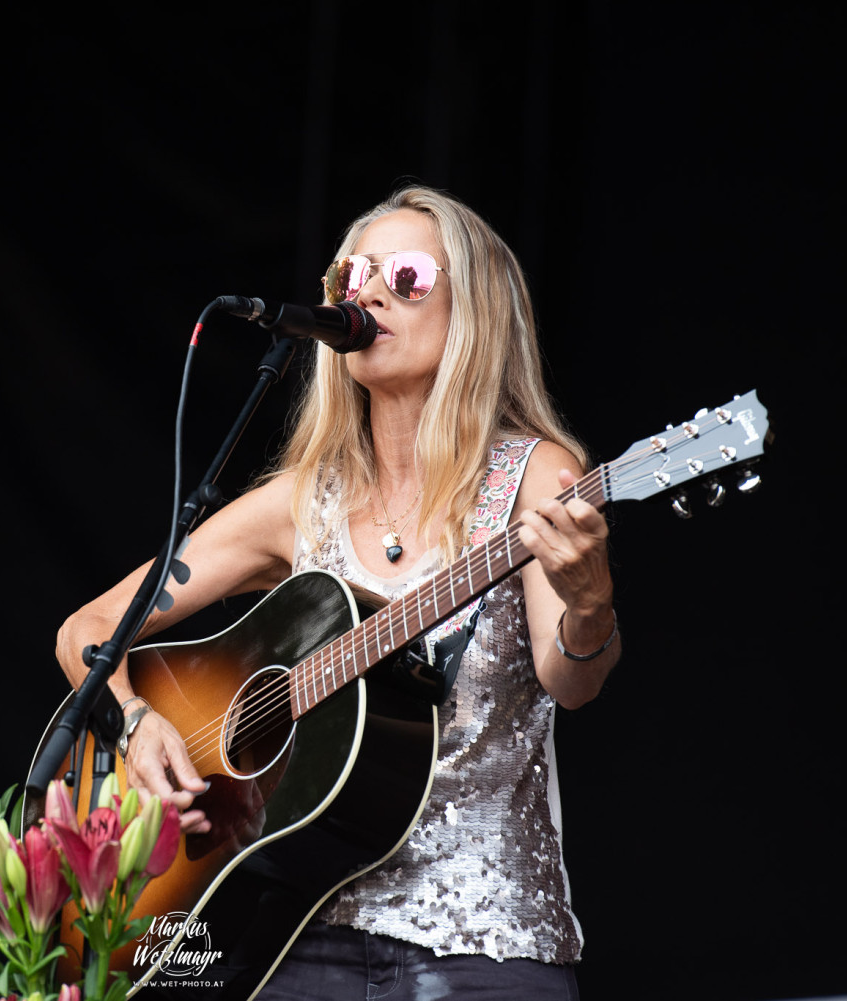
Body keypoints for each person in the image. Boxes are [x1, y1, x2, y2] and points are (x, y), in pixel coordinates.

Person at [55, 184, 619, 999]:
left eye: (409, 277)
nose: (369, 291)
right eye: (349, 275)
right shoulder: (301, 500)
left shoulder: (536, 480)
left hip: (484, 944)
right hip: (294, 939)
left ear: (476, 312)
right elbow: (90, 627)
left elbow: (573, 679)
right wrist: (136, 723)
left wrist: (590, 602)